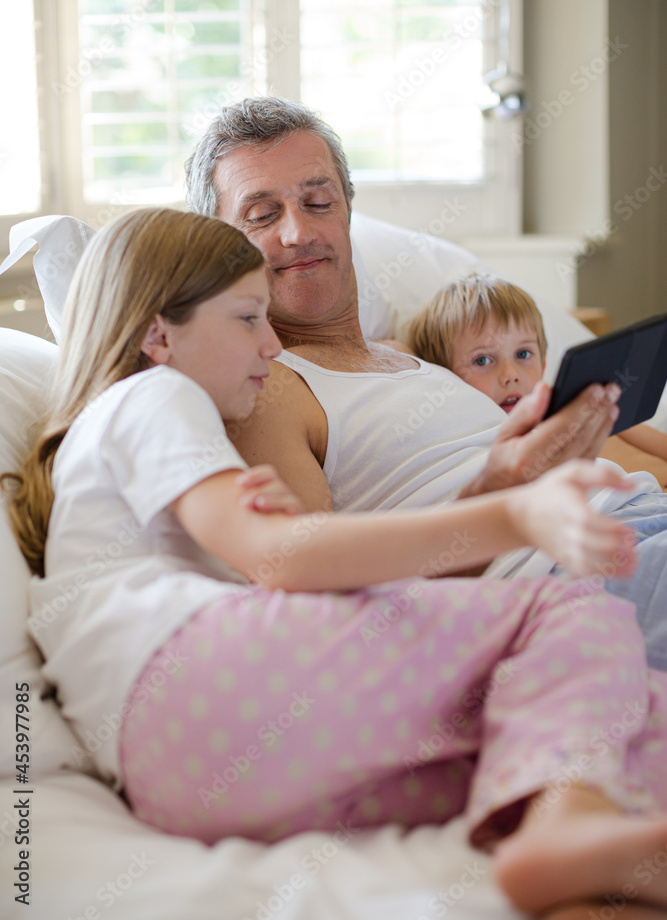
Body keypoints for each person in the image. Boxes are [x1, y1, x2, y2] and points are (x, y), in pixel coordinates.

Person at [5, 206, 667, 920]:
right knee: (567, 612)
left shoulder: (124, 464)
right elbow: (282, 560)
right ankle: (570, 829)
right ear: (157, 334)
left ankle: (576, 857)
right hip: (189, 687)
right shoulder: (153, 393)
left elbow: (267, 560)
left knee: (614, 726)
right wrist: (513, 514)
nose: (270, 344)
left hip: (188, 771)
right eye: (248, 318)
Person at [184, 96, 667, 672]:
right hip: (562, 577)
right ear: (220, 243)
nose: (297, 232)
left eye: (318, 202)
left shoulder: (426, 355)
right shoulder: (267, 391)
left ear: (347, 214)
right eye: (262, 215)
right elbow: (329, 608)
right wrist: (498, 489)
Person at [407, 272, 667, 459]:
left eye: (523, 354)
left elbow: (639, 435)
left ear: (543, 364)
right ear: (446, 376)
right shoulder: (470, 440)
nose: (511, 375)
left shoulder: (563, 412)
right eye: (483, 360)